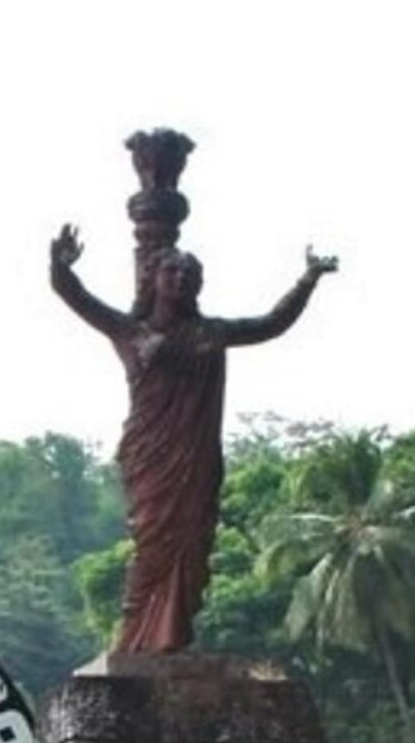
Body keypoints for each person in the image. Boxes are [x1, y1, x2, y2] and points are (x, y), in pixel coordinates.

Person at [50, 226, 336, 653]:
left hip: (196, 452)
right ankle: (134, 635)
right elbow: (79, 300)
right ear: (155, 279)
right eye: (171, 273)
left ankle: (172, 635)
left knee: (193, 542)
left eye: (188, 275)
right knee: (152, 541)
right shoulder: (131, 332)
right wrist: (61, 267)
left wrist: (306, 280)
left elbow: (271, 324)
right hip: (150, 452)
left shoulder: (211, 333)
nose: (180, 280)